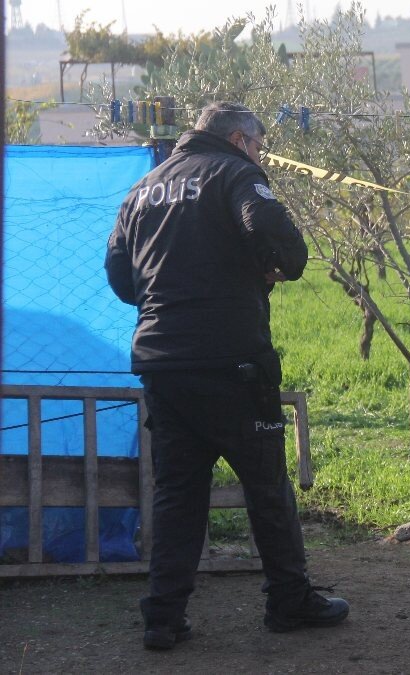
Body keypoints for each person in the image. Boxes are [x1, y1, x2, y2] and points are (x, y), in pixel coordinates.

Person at [106, 101, 349, 650]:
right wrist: (279, 265)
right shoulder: (235, 172)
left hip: (162, 363)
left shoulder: (143, 189)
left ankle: (162, 618)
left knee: (177, 492)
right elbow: (270, 229)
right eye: (259, 145)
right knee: (266, 486)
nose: (260, 154)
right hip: (231, 361)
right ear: (240, 139)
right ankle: (289, 601)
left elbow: (120, 276)